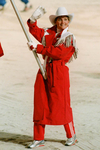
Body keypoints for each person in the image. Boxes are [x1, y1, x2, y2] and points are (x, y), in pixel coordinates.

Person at [27, 6, 78, 148]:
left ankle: (71, 135)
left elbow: (58, 53)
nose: (63, 22)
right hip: (44, 71)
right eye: (60, 19)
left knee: (62, 105)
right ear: (56, 21)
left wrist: (38, 48)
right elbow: (34, 31)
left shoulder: (69, 37)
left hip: (59, 74)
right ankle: (38, 138)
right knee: (40, 104)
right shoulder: (49, 33)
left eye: (65, 19)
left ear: (68, 22)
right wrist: (32, 19)